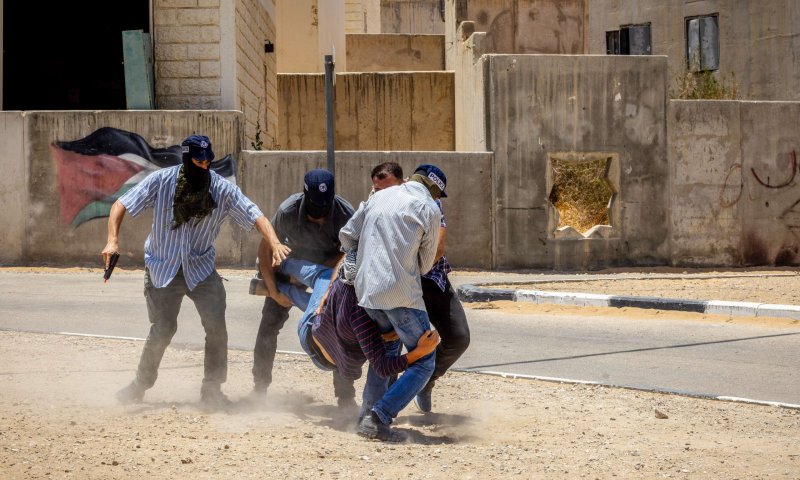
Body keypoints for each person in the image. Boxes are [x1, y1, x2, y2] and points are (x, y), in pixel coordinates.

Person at [103, 134, 290, 409]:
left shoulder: (221, 188)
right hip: (162, 267)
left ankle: (212, 389)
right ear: (187, 159)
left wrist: (274, 241)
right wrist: (112, 240)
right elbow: (121, 204)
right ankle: (140, 385)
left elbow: (255, 215)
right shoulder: (162, 181)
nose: (204, 165)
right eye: (198, 160)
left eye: (208, 160)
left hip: (200, 268)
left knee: (216, 328)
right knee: (163, 329)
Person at [276, 254, 440, 442]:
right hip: (316, 343)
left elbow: (348, 254)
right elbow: (382, 367)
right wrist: (420, 352)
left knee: (323, 283)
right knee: (320, 282)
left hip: (322, 327)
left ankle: (282, 273)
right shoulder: (360, 314)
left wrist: (329, 290)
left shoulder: (344, 279)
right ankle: (280, 275)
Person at [339, 165, 445, 440]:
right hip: (400, 295)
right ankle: (380, 416)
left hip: (367, 292)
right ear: (434, 192)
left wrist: (368, 259)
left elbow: (347, 235)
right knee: (424, 361)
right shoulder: (429, 208)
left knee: (387, 351)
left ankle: (365, 415)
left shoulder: (378, 196)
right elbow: (424, 265)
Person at [369, 163, 470, 413]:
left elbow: (438, 247)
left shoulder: (429, 203)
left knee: (458, 337)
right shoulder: (383, 199)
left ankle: (426, 382)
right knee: (392, 343)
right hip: (395, 282)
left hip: (430, 278)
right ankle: (381, 408)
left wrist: (414, 271)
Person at [251, 169, 356, 406]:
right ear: (305, 197)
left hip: (330, 271)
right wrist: (274, 291)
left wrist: (323, 279)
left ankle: (345, 397)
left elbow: (348, 256)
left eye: (323, 211)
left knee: (339, 328)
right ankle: (259, 389)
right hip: (292, 268)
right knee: (268, 326)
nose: (319, 218)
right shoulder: (288, 210)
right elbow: (265, 248)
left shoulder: (345, 214)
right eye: (314, 212)